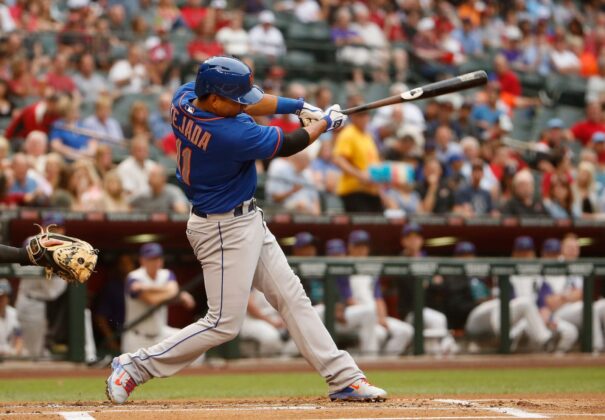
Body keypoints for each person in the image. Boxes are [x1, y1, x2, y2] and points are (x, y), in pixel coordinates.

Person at [106, 56, 386, 403]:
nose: (243, 105)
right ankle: (134, 366)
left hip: (245, 219)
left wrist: (299, 106)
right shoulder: (229, 134)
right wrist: (324, 124)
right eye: (235, 100)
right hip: (223, 229)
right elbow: (290, 144)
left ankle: (343, 378)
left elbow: (253, 101)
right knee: (223, 323)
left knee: (292, 298)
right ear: (213, 98)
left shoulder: (184, 97)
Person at [346, 231, 414, 355]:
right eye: (358, 245)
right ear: (350, 247)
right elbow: (348, 299)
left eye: (364, 246)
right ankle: (371, 362)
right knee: (379, 333)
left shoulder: (372, 269)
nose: (362, 249)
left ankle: (387, 362)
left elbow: (378, 298)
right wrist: (371, 316)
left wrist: (381, 318)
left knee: (406, 331)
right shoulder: (344, 266)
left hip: (374, 315)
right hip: (355, 316)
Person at [121, 243, 195, 353]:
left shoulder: (166, 274)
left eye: (157, 258)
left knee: (192, 342)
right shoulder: (134, 277)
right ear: (142, 260)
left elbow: (173, 290)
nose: (155, 262)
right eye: (151, 259)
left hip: (161, 335)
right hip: (137, 337)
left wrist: (145, 287)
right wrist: (176, 295)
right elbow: (152, 300)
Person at [332, 95, 383, 213]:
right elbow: (339, 160)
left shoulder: (368, 136)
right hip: (354, 190)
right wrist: (360, 175)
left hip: (371, 190)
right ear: (353, 117)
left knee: (379, 222)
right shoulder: (348, 134)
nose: (364, 118)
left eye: (366, 114)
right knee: (364, 223)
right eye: (361, 115)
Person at [0, 279, 23, 357]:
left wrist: (15, 353)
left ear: (8, 298)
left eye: (3, 297)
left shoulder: (13, 313)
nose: (1, 300)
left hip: (9, 355)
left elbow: (19, 337)